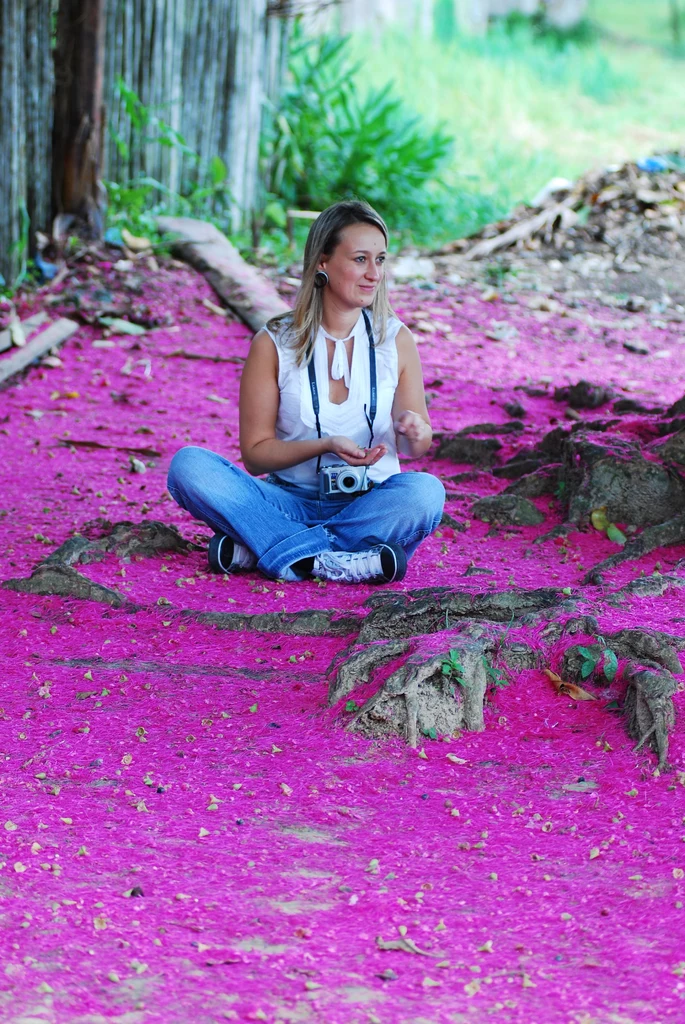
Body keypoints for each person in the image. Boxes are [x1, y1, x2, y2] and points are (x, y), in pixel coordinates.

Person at [167, 200, 445, 585]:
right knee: (189, 466)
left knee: (425, 492)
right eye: (360, 259)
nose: (374, 274)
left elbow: (418, 448)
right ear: (322, 262)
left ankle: (272, 551)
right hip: (287, 503)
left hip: (370, 503)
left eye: (380, 260)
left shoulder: (395, 339)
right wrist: (324, 445)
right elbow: (256, 456)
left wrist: (415, 431)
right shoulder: (273, 342)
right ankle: (343, 559)